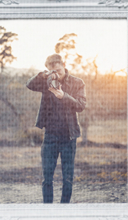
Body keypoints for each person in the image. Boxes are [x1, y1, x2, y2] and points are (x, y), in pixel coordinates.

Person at [27, 54, 87, 204]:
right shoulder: (47, 82)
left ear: (63, 65)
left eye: (58, 70)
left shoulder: (77, 82)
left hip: (69, 136)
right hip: (50, 136)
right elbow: (30, 85)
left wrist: (64, 96)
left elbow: (81, 106)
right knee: (47, 178)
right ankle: (48, 209)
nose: (56, 74)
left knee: (67, 178)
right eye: (52, 71)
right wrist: (43, 75)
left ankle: (64, 208)